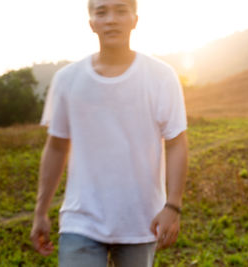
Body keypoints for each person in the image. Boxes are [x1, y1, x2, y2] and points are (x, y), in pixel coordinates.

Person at [30, 0, 188, 266]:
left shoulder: (161, 76)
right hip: (80, 221)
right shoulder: (67, 79)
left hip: (141, 220)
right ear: (91, 23)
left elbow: (176, 142)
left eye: (121, 10)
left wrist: (173, 206)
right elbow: (56, 147)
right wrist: (40, 211)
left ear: (134, 19)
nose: (111, 19)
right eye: (101, 12)